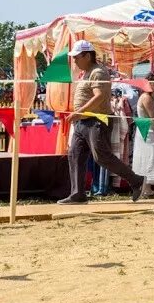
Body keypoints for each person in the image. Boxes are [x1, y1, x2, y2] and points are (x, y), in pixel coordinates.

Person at [58, 40, 145, 204]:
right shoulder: (87, 72)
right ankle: (77, 193)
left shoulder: (98, 72)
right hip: (83, 122)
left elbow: (99, 96)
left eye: (77, 57)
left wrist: (79, 112)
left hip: (96, 120)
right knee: (75, 154)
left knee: (102, 157)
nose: (74, 60)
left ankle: (136, 181)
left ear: (87, 55)